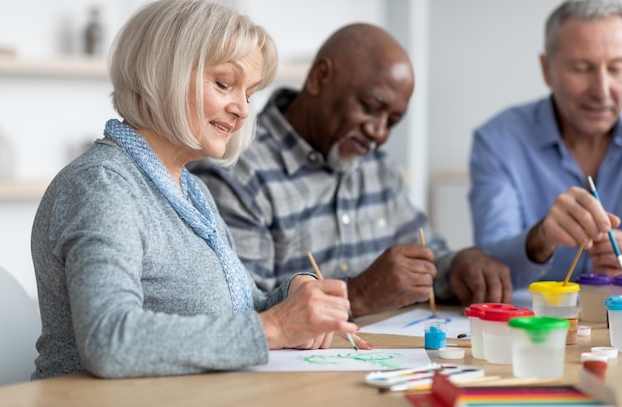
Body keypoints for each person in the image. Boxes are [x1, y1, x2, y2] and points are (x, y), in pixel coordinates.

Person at [30, 0, 367, 381]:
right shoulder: (103, 187)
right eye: (224, 84)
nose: (242, 109)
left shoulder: (191, 190)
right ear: (162, 74)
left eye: (249, 93)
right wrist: (274, 328)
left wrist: (293, 295)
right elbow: (110, 340)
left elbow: (237, 311)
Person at [189, 23, 512, 317]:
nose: (379, 133)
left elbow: (427, 257)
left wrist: (457, 266)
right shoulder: (235, 170)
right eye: (371, 108)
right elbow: (242, 312)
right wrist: (358, 295)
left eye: (393, 122)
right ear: (319, 78)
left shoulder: (376, 166)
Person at [469, 0, 622, 292]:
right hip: (538, 330)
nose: (602, 90)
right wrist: (541, 238)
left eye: (617, 68)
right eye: (581, 68)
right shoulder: (498, 140)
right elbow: (489, 263)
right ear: (546, 69)